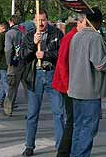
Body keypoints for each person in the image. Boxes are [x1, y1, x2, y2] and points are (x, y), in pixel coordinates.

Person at [21, 10, 64, 156]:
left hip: (52, 74)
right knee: (32, 113)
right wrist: (33, 44)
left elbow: (62, 54)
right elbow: (23, 56)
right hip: (36, 75)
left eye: (43, 20)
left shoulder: (57, 33)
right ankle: (29, 145)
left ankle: (61, 147)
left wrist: (46, 54)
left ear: (48, 20)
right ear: (34, 21)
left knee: (59, 112)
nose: (41, 23)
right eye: (38, 20)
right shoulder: (29, 35)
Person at [68, 8, 106, 157]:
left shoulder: (76, 36)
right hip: (89, 91)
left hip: (76, 89)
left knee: (78, 127)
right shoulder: (95, 38)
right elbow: (100, 64)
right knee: (88, 129)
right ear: (97, 22)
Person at [52, 15, 86, 157]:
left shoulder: (78, 37)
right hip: (67, 85)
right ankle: (63, 152)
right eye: (86, 23)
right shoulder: (70, 38)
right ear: (79, 23)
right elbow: (62, 63)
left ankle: (69, 150)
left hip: (74, 85)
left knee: (75, 119)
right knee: (72, 120)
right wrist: (67, 86)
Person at [3, 15, 26, 117]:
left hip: (14, 63)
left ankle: (8, 109)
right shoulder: (25, 32)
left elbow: (8, 50)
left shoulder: (9, 33)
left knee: (12, 88)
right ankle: (32, 110)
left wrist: (9, 63)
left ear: (11, 22)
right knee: (28, 89)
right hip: (25, 62)